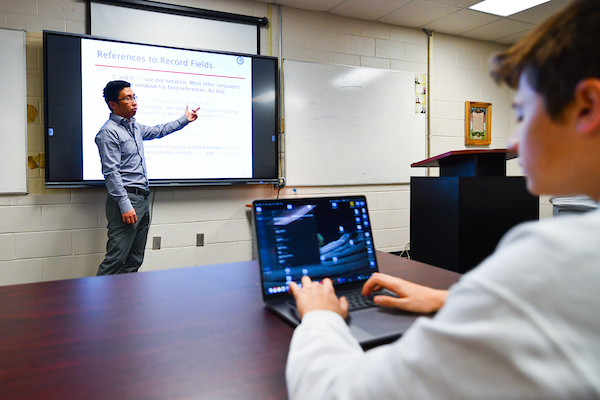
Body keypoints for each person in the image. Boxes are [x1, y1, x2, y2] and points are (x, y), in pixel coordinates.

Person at [286, 0, 600, 398]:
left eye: (521, 113)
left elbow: (335, 393)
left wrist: (319, 319)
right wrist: (457, 299)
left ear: (588, 106)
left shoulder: (558, 257)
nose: (514, 142)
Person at [95, 80, 200, 275]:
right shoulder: (108, 132)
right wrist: (125, 206)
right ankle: (98, 305)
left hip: (142, 198)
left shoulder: (134, 127)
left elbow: (159, 131)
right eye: (127, 98)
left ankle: (124, 303)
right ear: (113, 104)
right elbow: (111, 173)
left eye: (134, 97)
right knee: (116, 259)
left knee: (134, 259)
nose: (134, 102)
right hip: (126, 201)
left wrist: (184, 119)